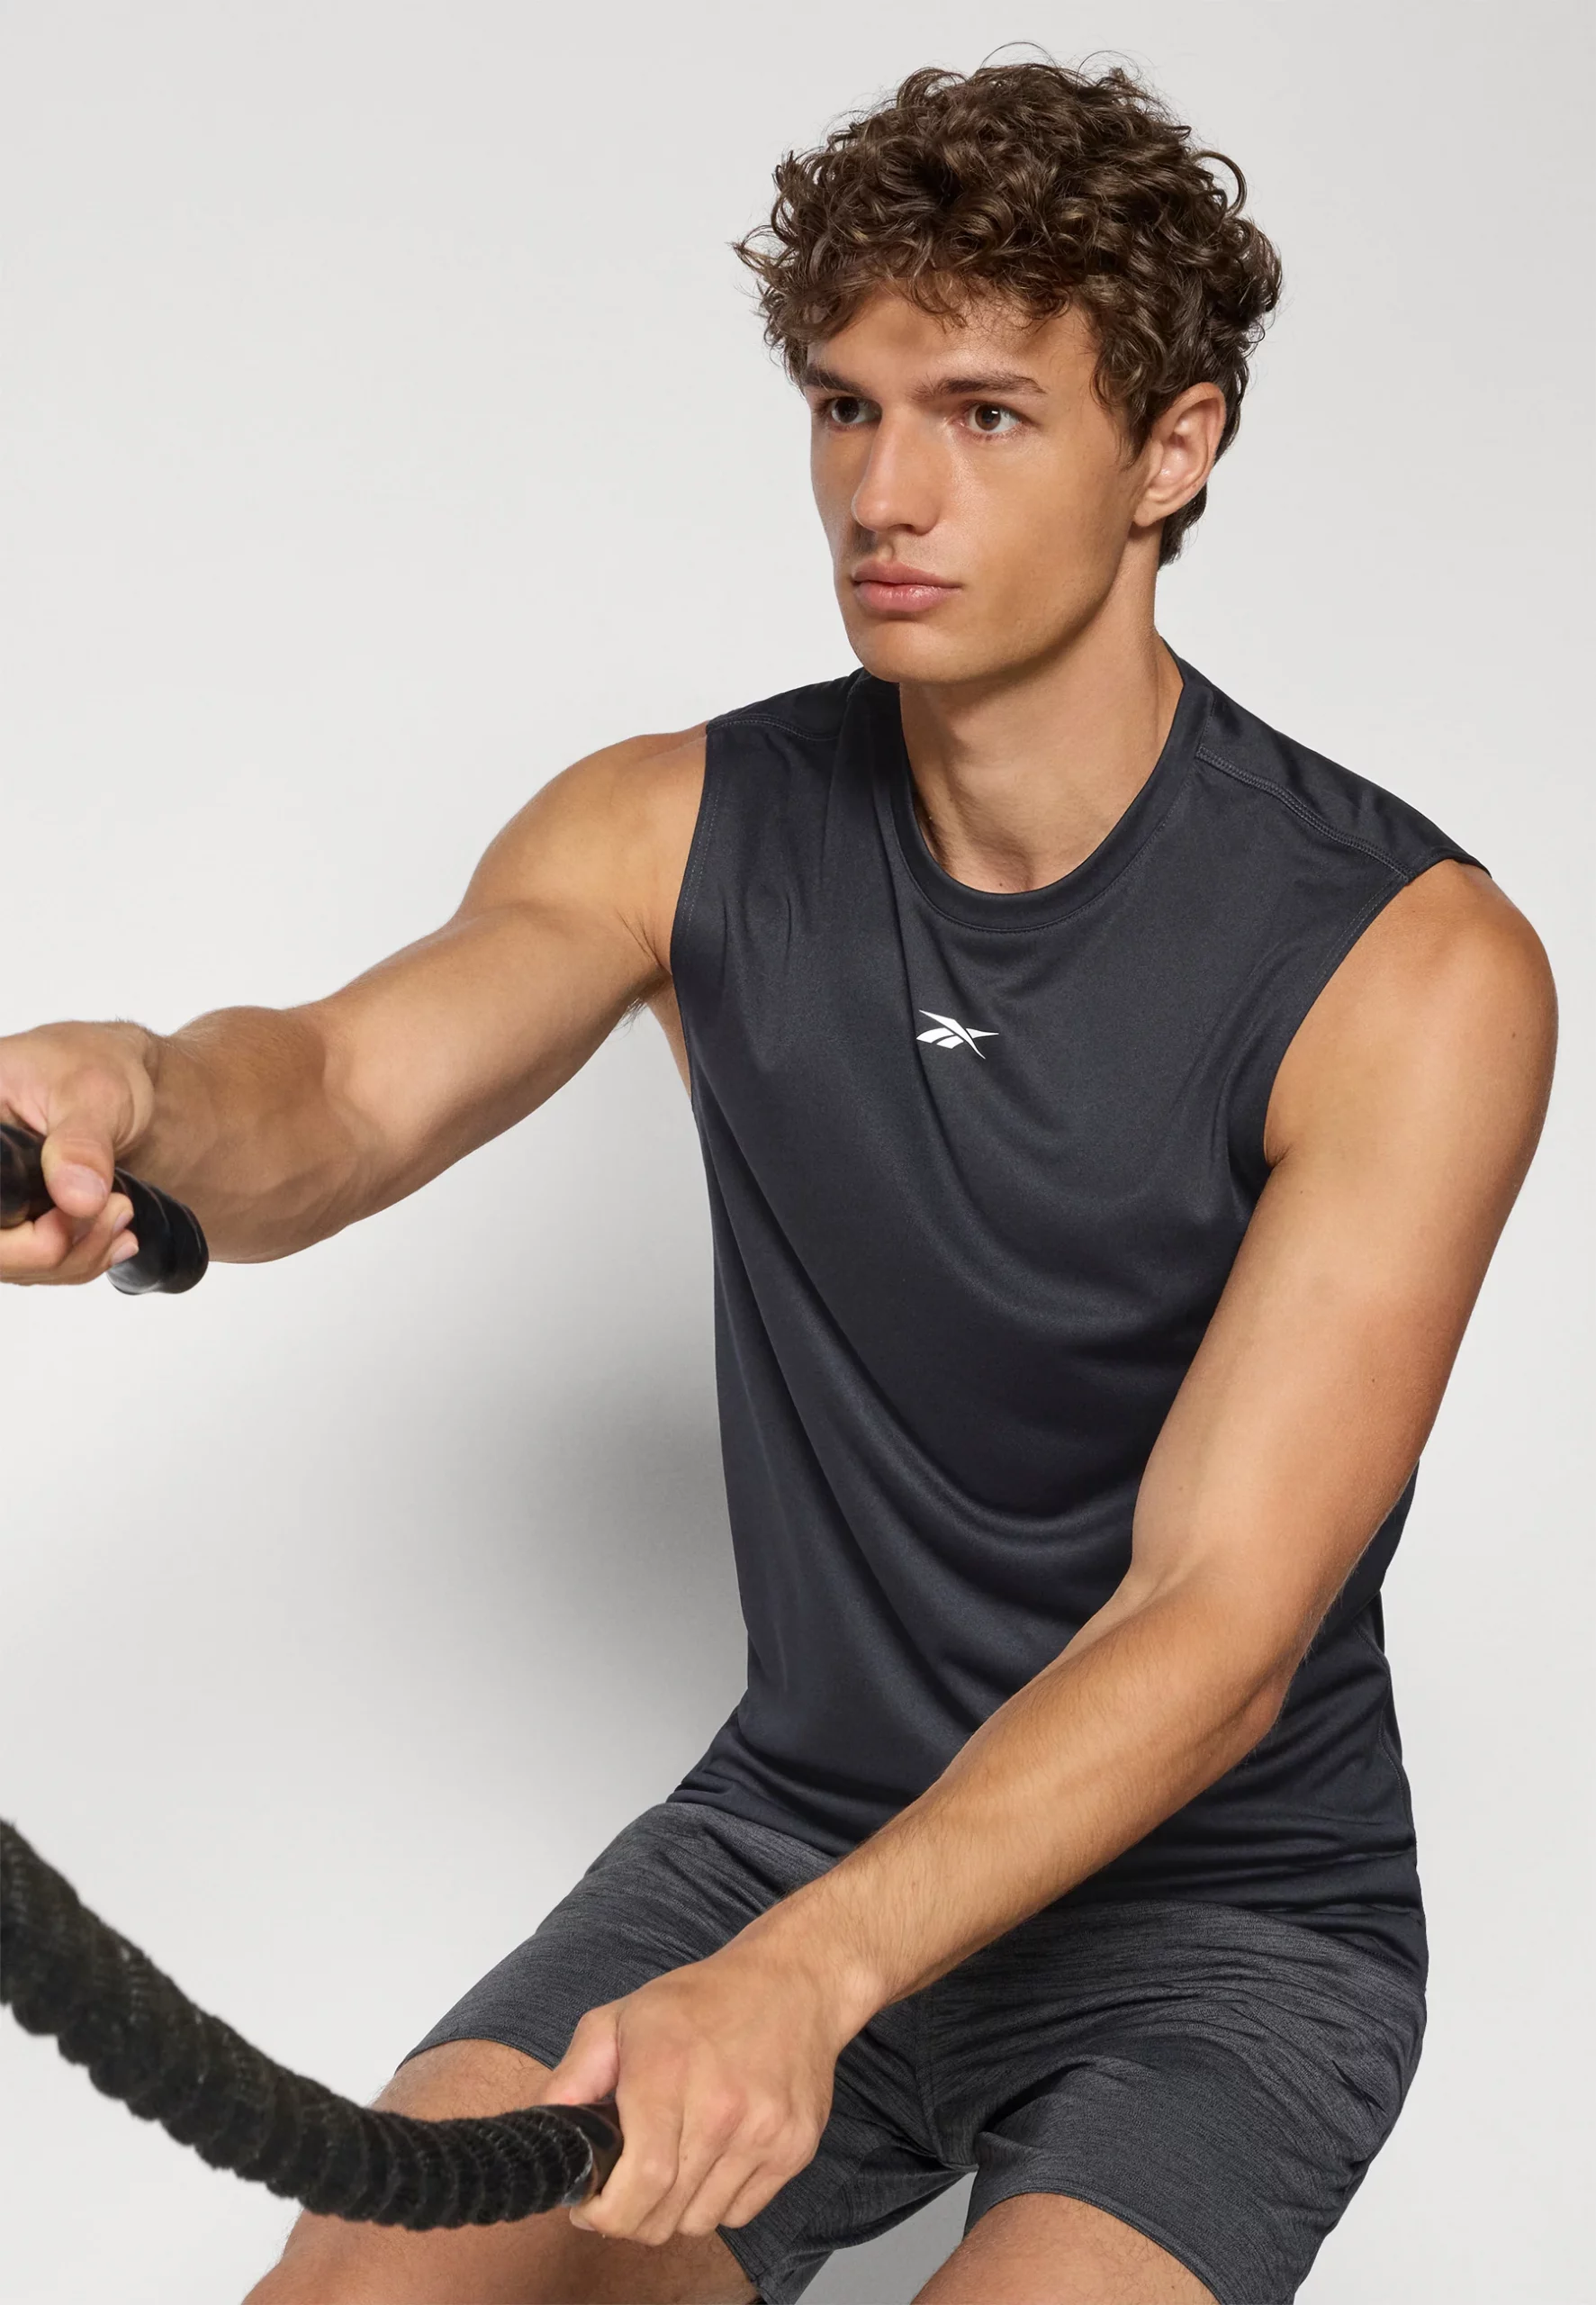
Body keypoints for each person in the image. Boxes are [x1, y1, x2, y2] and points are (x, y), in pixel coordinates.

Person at [0, 59, 1555, 2305]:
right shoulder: (670, 824)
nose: (884, 492)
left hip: (1217, 1922)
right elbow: (335, 1090)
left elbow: (1216, 1624)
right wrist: (135, 1094)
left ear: (1174, 446)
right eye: (844, 406)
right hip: (790, 1831)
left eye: (985, 413)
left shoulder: (1404, 964)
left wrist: (809, 1975)